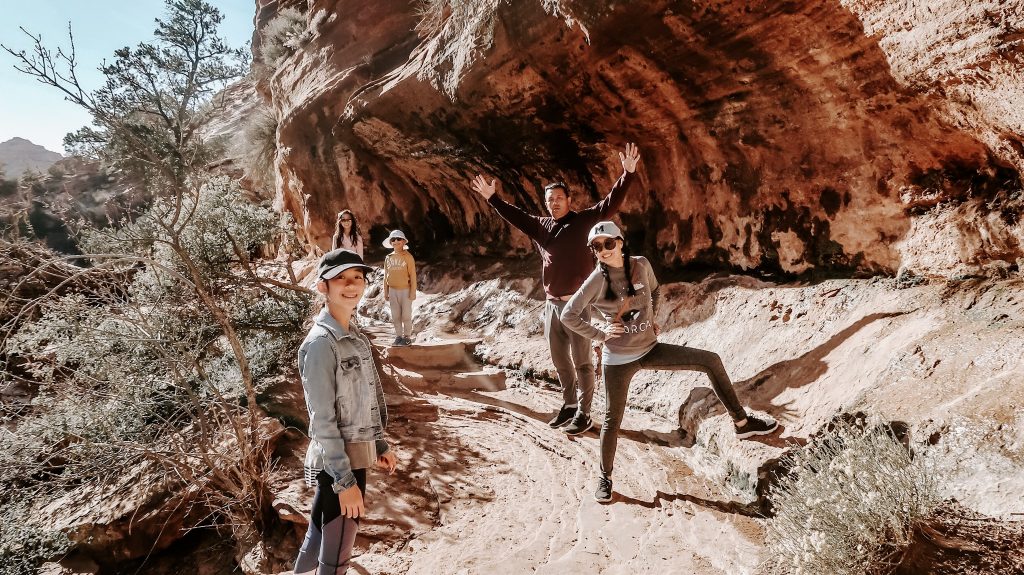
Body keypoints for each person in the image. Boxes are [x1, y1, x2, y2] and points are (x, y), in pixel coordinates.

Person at [561, 221, 778, 503]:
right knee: (612, 420)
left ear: (620, 242)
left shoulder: (641, 265)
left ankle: (742, 422)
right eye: (596, 246)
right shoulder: (596, 280)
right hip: (618, 361)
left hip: (650, 349)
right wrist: (601, 335)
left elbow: (654, 291)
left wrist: (652, 318)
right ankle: (605, 477)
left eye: (608, 243)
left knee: (710, 360)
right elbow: (569, 314)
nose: (602, 250)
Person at [470, 143, 640, 436]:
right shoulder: (542, 226)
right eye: (550, 200)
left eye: (559, 198)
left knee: (584, 362)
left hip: (579, 306)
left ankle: (586, 413)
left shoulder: (585, 220)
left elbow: (610, 203)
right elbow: (517, 216)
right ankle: (570, 405)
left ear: (568, 200)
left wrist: (627, 174)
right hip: (552, 306)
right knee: (561, 361)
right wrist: (493, 199)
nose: (555, 203)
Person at [293, 248, 399, 574]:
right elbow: (322, 420)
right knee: (337, 556)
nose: (352, 285)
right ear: (323, 286)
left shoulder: (355, 337)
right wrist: (345, 481)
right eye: (341, 278)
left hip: (352, 457)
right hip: (338, 466)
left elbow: (364, 399)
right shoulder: (321, 344)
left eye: (357, 277)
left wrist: (378, 444)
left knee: (318, 534)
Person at [382, 229, 417, 346]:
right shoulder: (388, 257)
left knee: (406, 314)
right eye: (393, 239)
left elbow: (412, 275)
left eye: (398, 239)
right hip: (392, 290)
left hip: (405, 290)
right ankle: (398, 336)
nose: (396, 241)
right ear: (390, 242)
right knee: (395, 315)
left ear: (403, 242)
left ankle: (407, 337)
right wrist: (385, 292)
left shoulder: (408, 257)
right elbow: (385, 275)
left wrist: (413, 292)